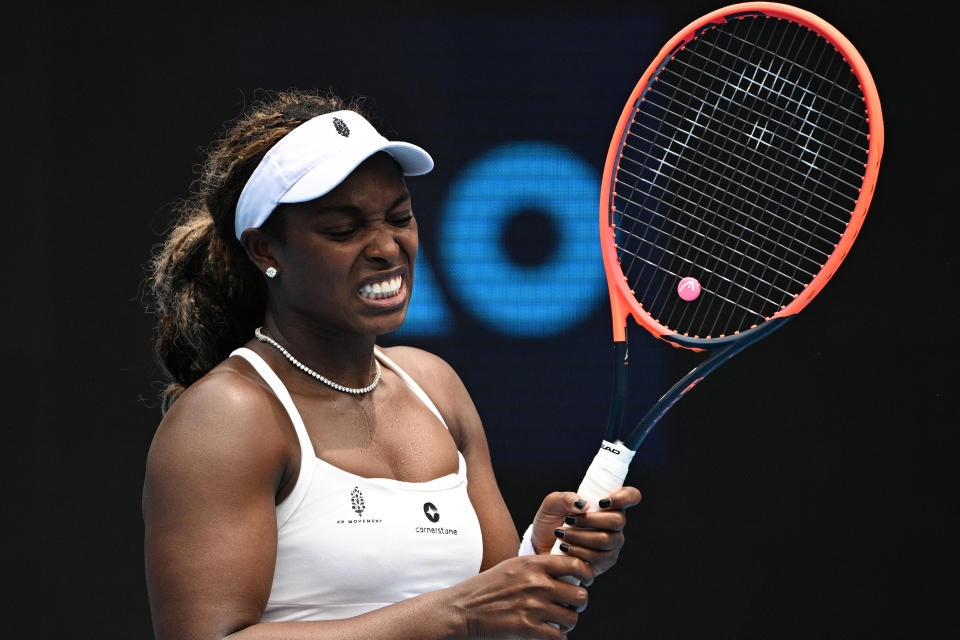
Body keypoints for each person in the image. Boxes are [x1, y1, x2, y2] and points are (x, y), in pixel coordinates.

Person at [142, 89, 642, 640]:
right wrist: (454, 613)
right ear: (266, 251)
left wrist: (540, 556)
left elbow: (495, 616)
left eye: (400, 217)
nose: (387, 247)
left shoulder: (434, 384)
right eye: (343, 229)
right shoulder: (229, 415)